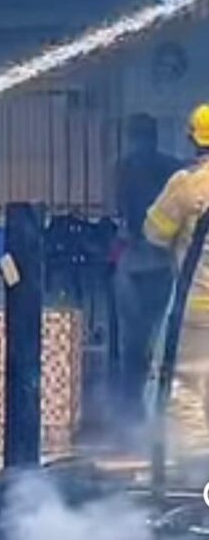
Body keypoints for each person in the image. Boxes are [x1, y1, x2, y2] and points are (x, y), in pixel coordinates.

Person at [145, 104, 209, 450]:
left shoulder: (187, 186)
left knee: (184, 385)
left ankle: (197, 469)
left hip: (196, 309)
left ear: (192, 140)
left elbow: (155, 231)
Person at [113, 113, 181, 416]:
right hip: (163, 263)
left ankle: (133, 412)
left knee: (133, 345)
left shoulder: (124, 167)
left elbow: (123, 215)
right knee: (163, 341)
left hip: (137, 263)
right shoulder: (173, 168)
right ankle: (154, 413)